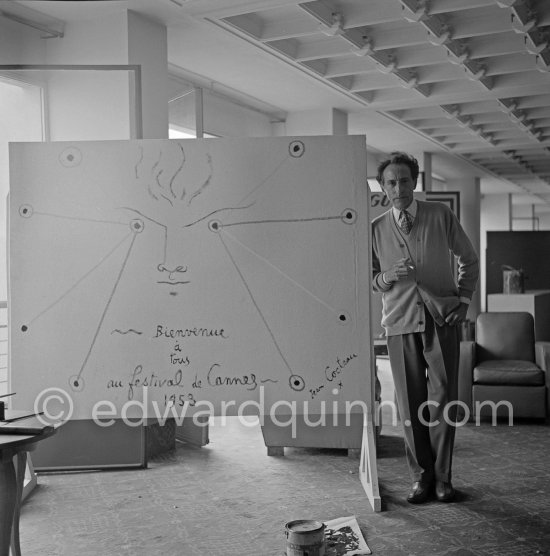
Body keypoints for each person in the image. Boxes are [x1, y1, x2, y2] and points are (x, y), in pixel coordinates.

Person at [371, 152, 479, 504]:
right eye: (390, 182)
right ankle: (421, 477)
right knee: (409, 403)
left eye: (404, 180)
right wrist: (386, 276)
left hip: (441, 319)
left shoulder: (440, 215)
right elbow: (371, 279)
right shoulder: (376, 229)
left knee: (445, 400)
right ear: (383, 187)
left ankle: (444, 478)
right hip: (399, 324)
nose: (398, 188)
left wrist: (463, 300)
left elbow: (469, 258)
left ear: (414, 182)